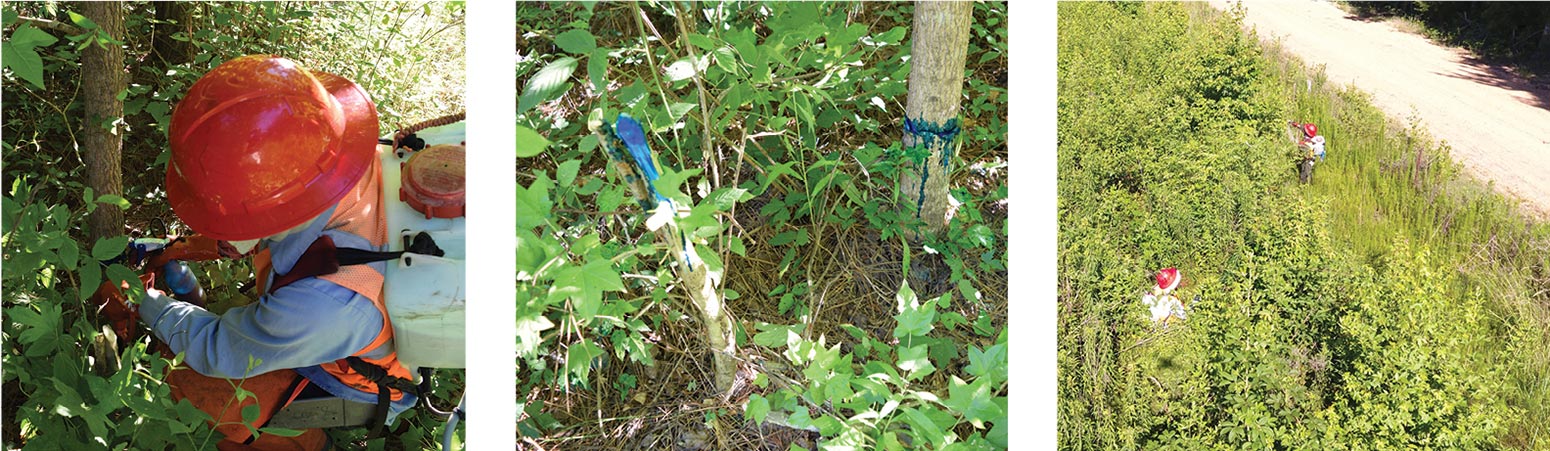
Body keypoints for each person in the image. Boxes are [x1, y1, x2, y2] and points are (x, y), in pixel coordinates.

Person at [136, 55, 415, 451]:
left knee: (202, 392)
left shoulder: (323, 304)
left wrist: (149, 305)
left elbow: (220, 349)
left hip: (362, 380)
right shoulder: (333, 160)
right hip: (337, 325)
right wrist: (186, 249)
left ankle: (309, 442)